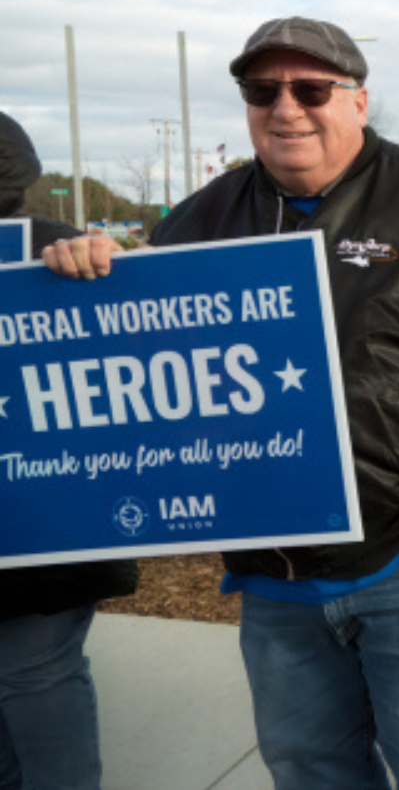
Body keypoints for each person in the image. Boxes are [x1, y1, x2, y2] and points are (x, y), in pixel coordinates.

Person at [42, 17, 399, 790]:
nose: (286, 108)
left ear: (358, 100)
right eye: (262, 90)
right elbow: (139, 362)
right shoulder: (199, 223)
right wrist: (89, 270)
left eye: (311, 88)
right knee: (310, 770)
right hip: (274, 574)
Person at [0, 111, 138, 790]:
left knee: (33, 675)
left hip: (41, 541)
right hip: (47, 533)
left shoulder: (55, 253)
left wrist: (99, 267)